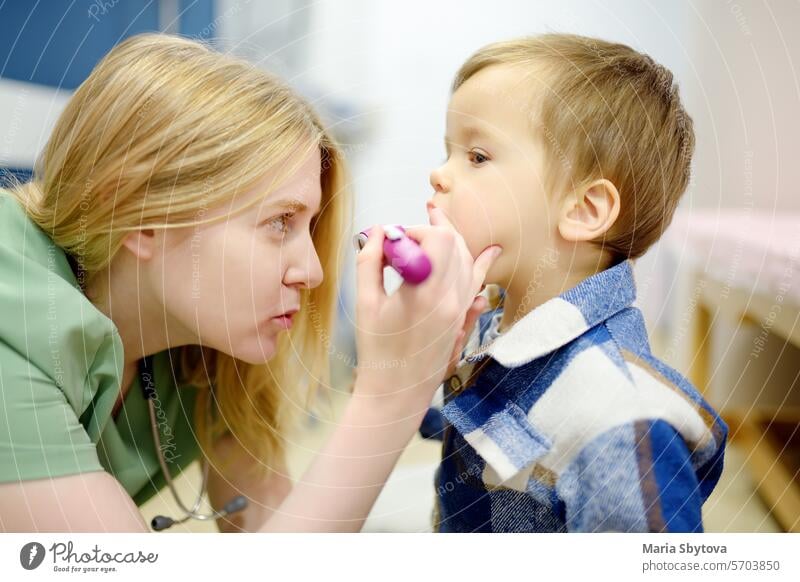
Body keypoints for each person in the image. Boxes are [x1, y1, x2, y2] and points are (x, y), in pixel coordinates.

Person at [0, 34, 502, 533]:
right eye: (280, 222)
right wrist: (392, 393)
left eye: (308, 226)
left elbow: (270, 532)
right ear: (138, 217)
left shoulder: (199, 334)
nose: (313, 273)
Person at [424, 34, 727, 532]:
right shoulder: (489, 328)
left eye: (476, 156)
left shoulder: (619, 424)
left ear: (583, 209)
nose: (438, 175)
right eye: (446, 151)